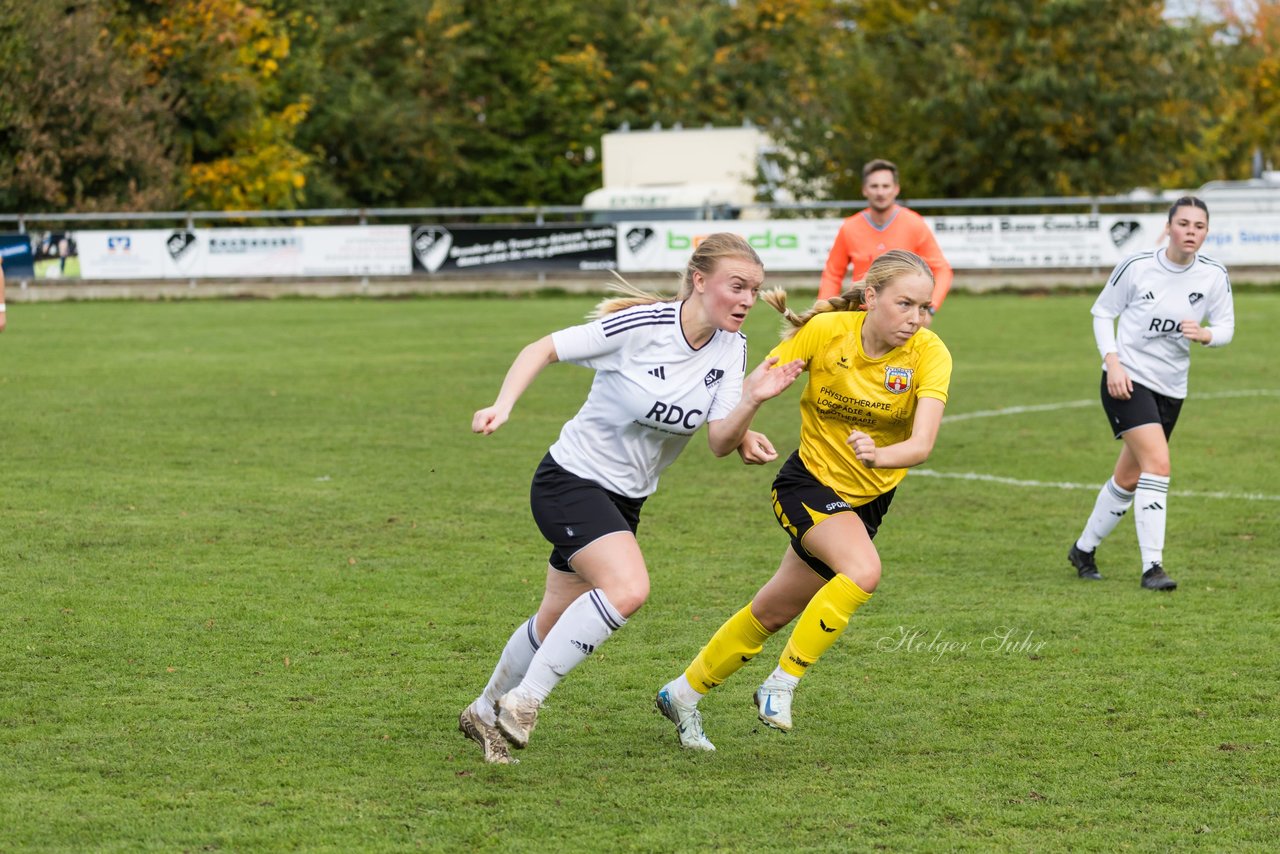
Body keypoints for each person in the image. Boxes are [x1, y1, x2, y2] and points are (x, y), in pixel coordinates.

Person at [458, 233, 804, 764]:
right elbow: (543, 348)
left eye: (754, 290)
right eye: (737, 286)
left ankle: (483, 710)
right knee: (628, 588)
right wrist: (502, 404)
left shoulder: (733, 349)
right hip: (570, 481)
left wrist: (749, 412)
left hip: (626, 502)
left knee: (553, 620)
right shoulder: (642, 327)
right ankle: (525, 701)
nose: (746, 300)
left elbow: (717, 436)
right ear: (699, 281)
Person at [656, 249, 953, 751]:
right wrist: (744, 427)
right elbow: (747, 388)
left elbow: (922, 444)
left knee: (772, 612)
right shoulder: (827, 332)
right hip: (807, 484)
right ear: (872, 296)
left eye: (923, 308)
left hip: (869, 499)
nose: (915, 319)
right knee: (863, 571)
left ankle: (681, 694)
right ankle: (781, 683)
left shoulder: (929, 353)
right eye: (905, 304)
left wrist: (880, 455)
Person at [1067, 197, 1234, 591]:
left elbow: (1226, 326)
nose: (1191, 232)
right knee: (1158, 464)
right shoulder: (1138, 266)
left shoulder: (1213, 275)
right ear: (1169, 227)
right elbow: (1103, 312)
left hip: (1172, 387)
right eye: (1184, 224)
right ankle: (1152, 567)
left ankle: (1083, 549)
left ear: (1206, 232)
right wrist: (1114, 362)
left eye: (1199, 226)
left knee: (1128, 477)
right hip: (1127, 380)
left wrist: (1206, 334)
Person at [817, 159, 953, 325]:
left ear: (896, 189)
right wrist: (823, 313)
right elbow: (832, 274)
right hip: (860, 318)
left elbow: (942, 270)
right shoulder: (849, 228)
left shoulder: (914, 223)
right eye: (874, 186)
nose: (880, 192)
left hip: (904, 318)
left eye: (886, 186)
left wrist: (930, 308)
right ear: (864, 190)